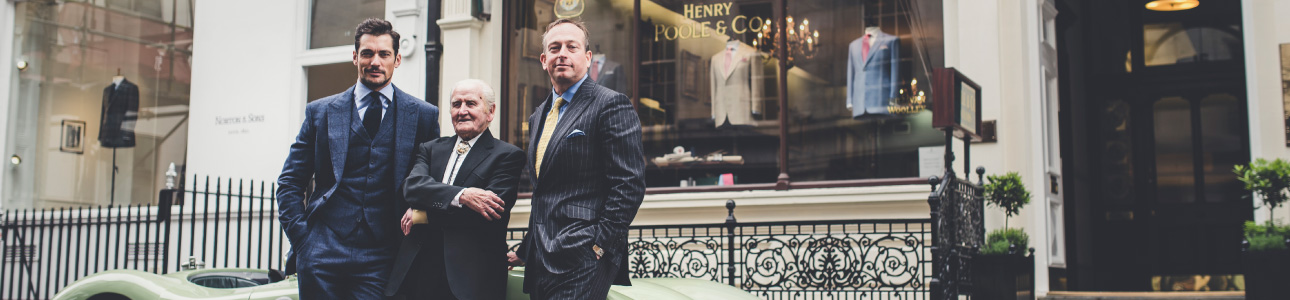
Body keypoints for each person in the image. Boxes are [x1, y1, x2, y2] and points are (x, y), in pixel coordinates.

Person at [276, 18, 439, 299]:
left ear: (397, 59)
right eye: (367, 53)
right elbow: (290, 182)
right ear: (355, 57)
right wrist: (303, 241)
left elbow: (430, 179)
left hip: (382, 253)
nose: (375, 61)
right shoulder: (321, 112)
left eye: (384, 54)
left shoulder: (423, 116)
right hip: (322, 250)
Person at [507, 18, 646, 299]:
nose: (563, 54)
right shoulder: (538, 116)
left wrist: (599, 245)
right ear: (544, 60)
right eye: (555, 48)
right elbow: (546, 192)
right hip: (541, 258)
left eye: (572, 47)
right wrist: (525, 250)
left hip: (584, 255)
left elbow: (629, 184)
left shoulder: (610, 104)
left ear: (587, 57)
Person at [384, 79, 524, 299]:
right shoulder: (430, 149)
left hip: (471, 278)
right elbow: (412, 188)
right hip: (419, 272)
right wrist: (463, 195)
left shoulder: (507, 156)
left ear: (490, 111)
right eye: (456, 104)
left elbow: (487, 214)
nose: (462, 111)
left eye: (470, 103)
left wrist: (422, 213)